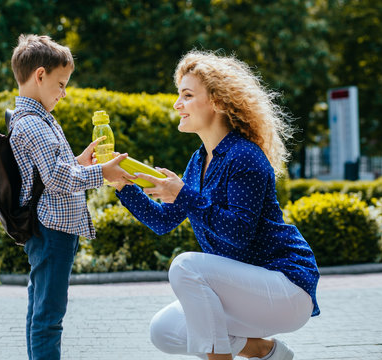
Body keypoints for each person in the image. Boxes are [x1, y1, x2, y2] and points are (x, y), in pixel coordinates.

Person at [110, 50, 320, 360]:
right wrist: (123, 186)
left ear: (217, 102)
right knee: (164, 329)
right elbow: (163, 221)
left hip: (286, 286)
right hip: (248, 289)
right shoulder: (199, 161)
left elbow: (237, 233)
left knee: (185, 266)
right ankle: (265, 351)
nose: (176, 104)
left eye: (187, 95)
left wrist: (184, 195)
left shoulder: (244, 156)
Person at [9, 34, 136, 360]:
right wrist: (102, 173)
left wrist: (80, 162)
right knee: (49, 316)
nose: (64, 93)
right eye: (61, 84)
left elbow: (51, 170)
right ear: (40, 76)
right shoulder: (35, 124)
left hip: (49, 227)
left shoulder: (34, 119)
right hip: (53, 229)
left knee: (40, 308)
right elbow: (55, 178)